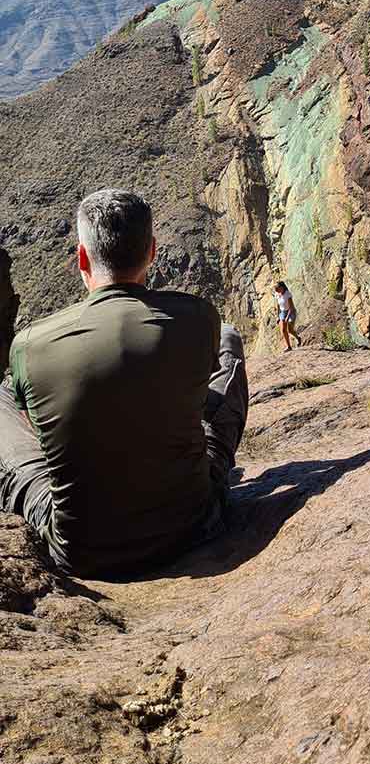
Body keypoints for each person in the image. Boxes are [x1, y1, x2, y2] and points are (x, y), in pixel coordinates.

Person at [0, 188, 249, 578]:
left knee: (4, 395)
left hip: (79, 550)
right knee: (229, 338)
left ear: (82, 257)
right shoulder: (198, 316)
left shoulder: (31, 343)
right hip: (194, 525)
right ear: (151, 251)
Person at [274, 280, 297, 350]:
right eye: (276, 288)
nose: (276, 289)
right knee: (283, 330)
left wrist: (287, 317)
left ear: (282, 287)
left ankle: (298, 338)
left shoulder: (287, 294)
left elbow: (291, 307)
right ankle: (289, 346)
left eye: (278, 288)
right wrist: (278, 316)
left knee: (290, 330)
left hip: (291, 311)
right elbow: (278, 306)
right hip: (283, 312)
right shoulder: (277, 294)